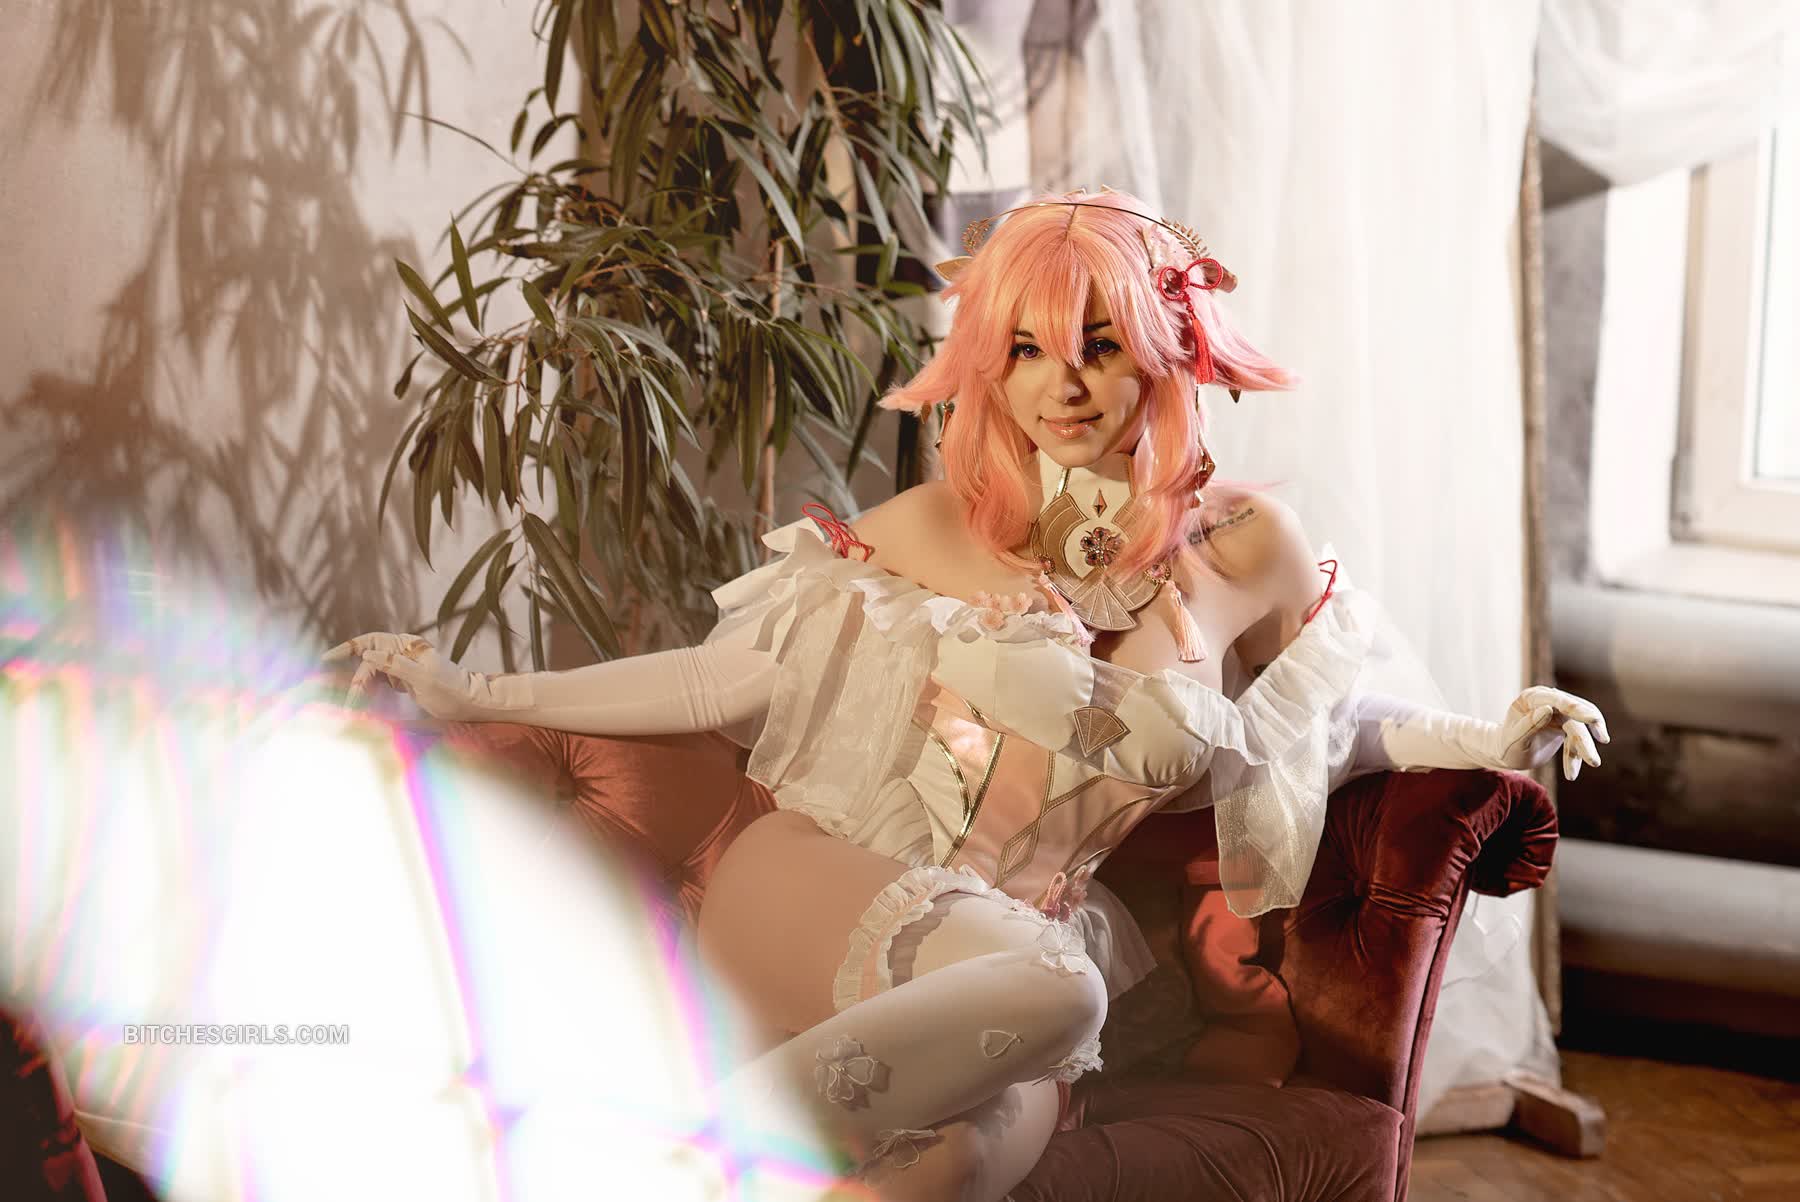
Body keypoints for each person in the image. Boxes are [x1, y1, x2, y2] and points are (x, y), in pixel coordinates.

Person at [331, 189, 1606, 1201]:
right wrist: (474, 685)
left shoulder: (1245, 548)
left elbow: (1311, 728)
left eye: (1101, 346)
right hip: (821, 886)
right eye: (1027, 352)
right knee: (1063, 989)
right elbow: (727, 674)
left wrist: (1485, 733)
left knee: (949, 1160)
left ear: (1166, 347)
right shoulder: (936, 524)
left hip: (1014, 950)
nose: (1063, 385)